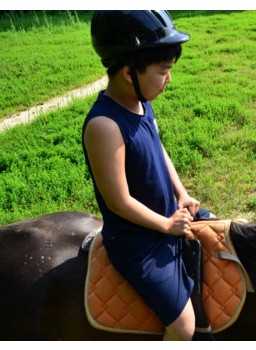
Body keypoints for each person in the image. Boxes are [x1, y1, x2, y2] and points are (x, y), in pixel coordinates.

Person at [83, 10, 214, 341]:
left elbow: (159, 150)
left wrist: (181, 193)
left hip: (168, 216)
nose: (169, 79)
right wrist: (167, 225)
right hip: (136, 241)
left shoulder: (141, 102)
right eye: (164, 71)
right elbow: (119, 201)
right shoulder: (105, 126)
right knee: (183, 327)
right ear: (129, 72)